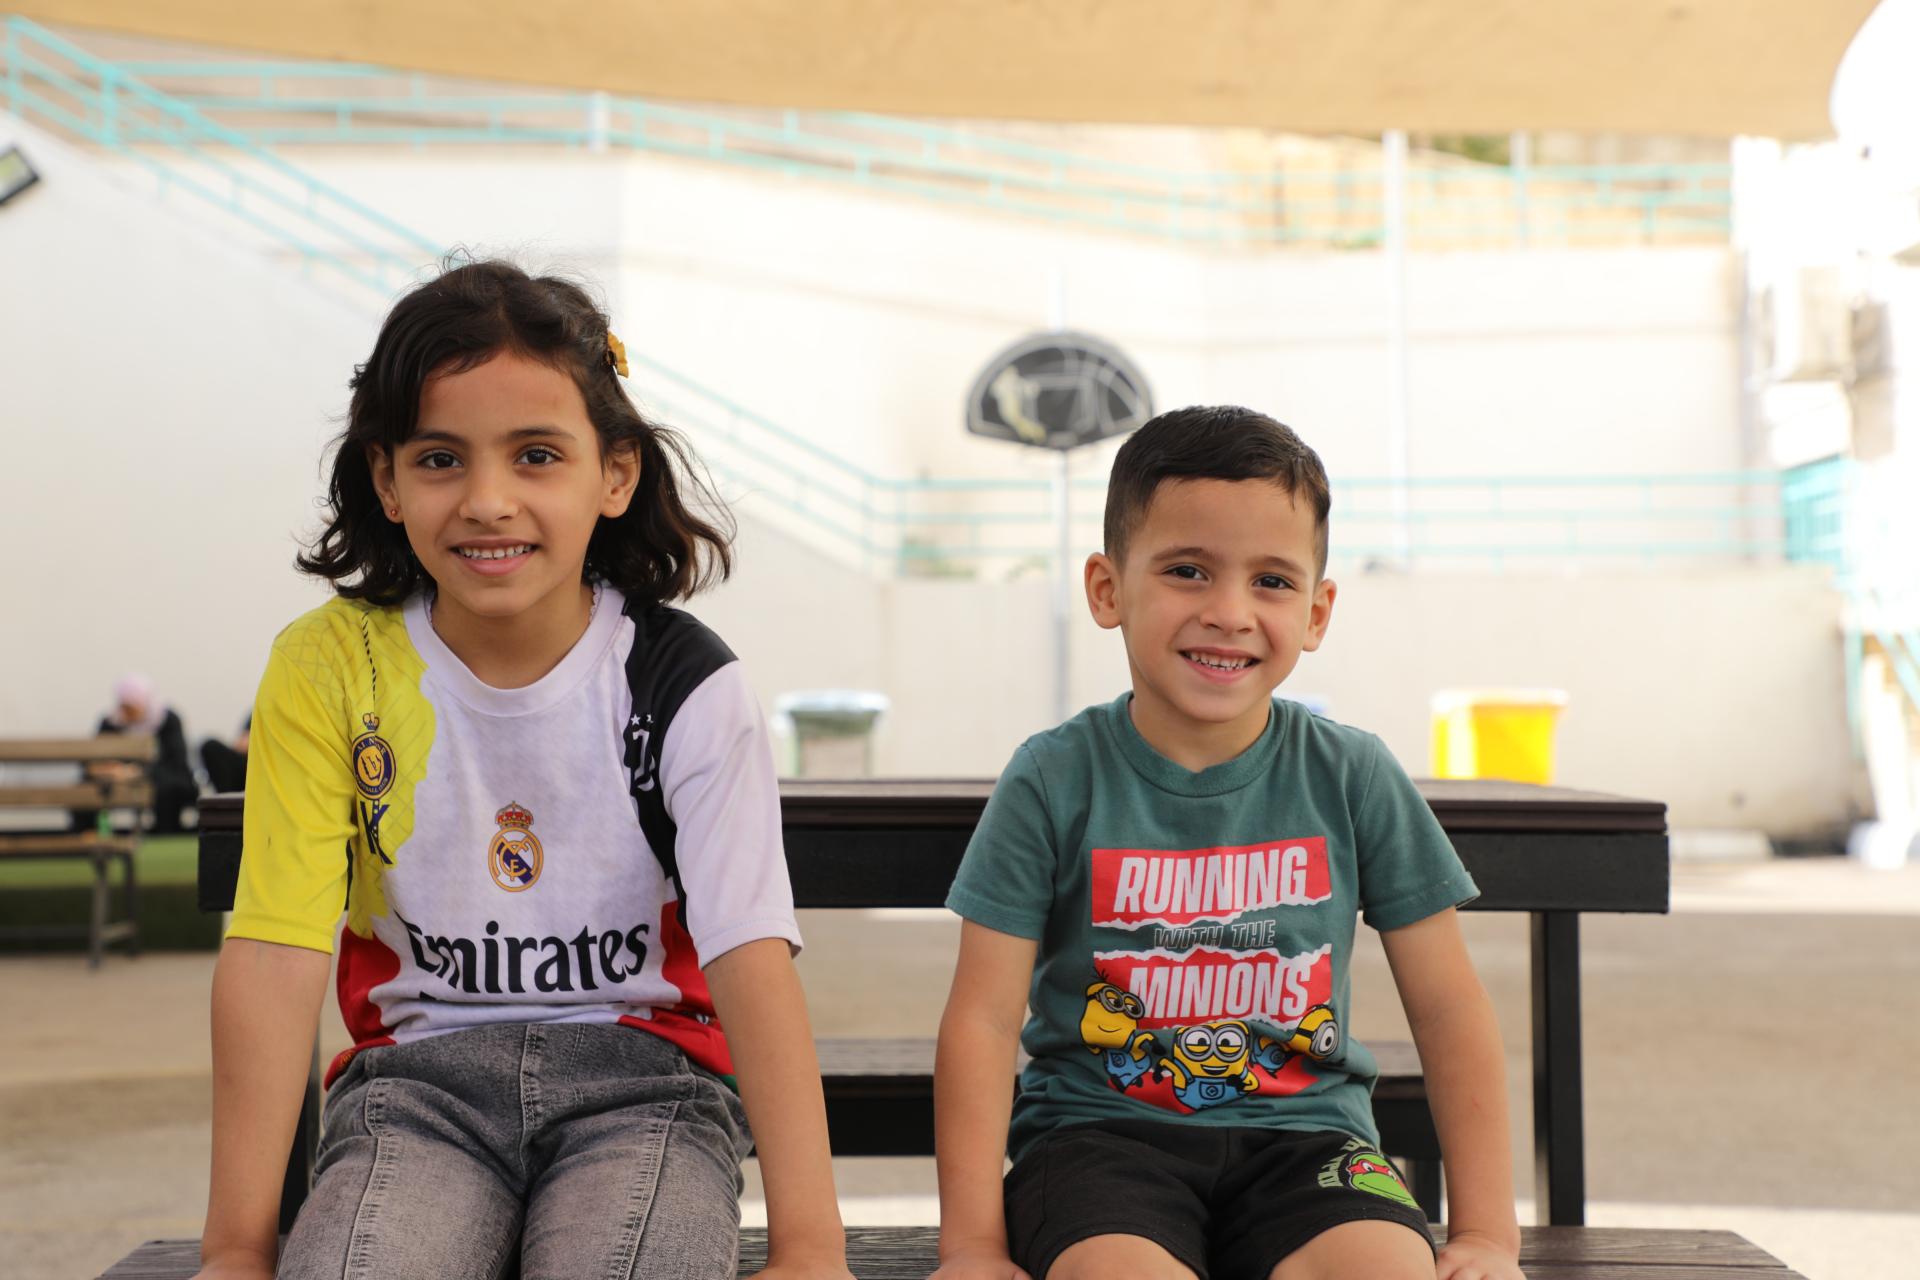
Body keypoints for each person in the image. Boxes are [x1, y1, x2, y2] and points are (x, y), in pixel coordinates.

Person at [193, 260, 854, 1280]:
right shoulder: (329, 668)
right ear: (386, 478)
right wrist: (236, 1250)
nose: (488, 500)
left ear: (616, 473)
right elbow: (278, 953)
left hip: (650, 1092)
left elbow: (750, 954)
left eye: (537, 454)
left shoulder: (681, 680)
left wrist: (811, 1248)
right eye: (441, 458)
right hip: (414, 1094)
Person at [931, 407, 1523, 1280]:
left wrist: (1485, 1235)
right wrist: (973, 1248)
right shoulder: (1054, 779)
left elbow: (1449, 1007)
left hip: (1313, 1142)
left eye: (1273, 582)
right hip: (1099, 1140)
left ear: (1318, 611)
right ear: (1107, 589)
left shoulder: (1351, 774)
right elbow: (981, 1020)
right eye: (1187, 570)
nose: (1230, 612)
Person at [89, 673, 197, 833]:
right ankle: (89, 830)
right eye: (124, 707)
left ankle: (166, 829)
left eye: (132, 707)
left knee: (169, 785)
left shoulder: (167, 719)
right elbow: (96, 756)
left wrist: (136, 771)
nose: (128, 713)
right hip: (119, 778)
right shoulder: (111, 722)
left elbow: (176, 760)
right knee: (89, 786)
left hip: (159, 776)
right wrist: (111, 769)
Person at [198, 712, 249, 794]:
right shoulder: (260, 711)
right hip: (248, 762)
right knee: (211, 747)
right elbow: (242, 742)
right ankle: (226, 799)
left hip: (263, 767)